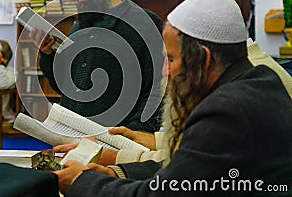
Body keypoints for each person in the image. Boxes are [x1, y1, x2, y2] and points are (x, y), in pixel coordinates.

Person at [54, 0, 292, 196]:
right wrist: (116, 172)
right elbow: (189, 170)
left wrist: (81, 182)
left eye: (171, 59)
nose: (166, 71)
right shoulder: (258, 80)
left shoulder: (226, 110)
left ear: (204, 59)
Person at [54, 37, 292, 167]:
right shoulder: (245, 73)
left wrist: (111, 166)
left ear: (204, 54)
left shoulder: (232, 97)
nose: (166, 71)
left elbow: (178, 176)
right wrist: (146, 138)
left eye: (172, 59)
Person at [29, 0, 165, 132]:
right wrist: (48, 55)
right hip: (72, 136)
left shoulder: (145, 23)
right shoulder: (80, 25)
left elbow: (157, 89)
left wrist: (133, 133)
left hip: (117, 141)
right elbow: (66, 86)